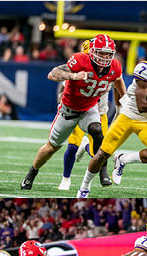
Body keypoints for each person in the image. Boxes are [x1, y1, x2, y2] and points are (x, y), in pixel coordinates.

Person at [77, 38, 147, 197]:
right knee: (102, 155)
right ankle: (84, 187)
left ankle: (123, 159)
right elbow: (142, 106)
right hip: (129, 116)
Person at [21, 34, 126, 191]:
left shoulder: (115, 66)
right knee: (51, 148)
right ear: (93, 51)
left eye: (108, 53)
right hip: (69, 110)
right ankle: (32, 172)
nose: (105, 57)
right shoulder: (80, 60)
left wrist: (122, 103)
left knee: (97, 131)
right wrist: (75, 76)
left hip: (90, 108)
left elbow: (118, 80)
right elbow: (52, 74)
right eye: (101, 52)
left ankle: (102, 170)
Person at [58, 39, 126, 190]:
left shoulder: (110, 69)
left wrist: (121, 106)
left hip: (99, 111)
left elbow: (117, 85)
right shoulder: (81, 66)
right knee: (72, 145)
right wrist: (61, 102)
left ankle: (100, 167)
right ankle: (66, 178)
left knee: (102, 148)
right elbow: (64, 87)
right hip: (78, 109)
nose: (101, 60)